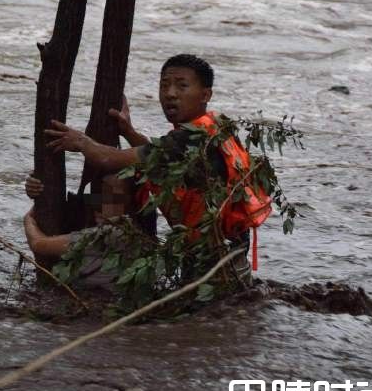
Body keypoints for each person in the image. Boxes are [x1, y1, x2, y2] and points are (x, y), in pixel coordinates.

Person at [41, 54, 254, 283]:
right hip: (233, 261)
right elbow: (158, 155)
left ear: (205, 95)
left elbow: (109, 160)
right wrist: (129, 132)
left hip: (213, 272)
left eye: (182, 86)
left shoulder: (188, 139)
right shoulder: (217, 127)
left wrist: (82, 142)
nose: (170, 93)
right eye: (164, 85)